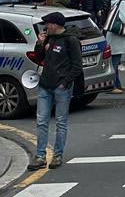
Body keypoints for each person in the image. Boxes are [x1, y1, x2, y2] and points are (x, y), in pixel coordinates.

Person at [26, 13, 82, 171]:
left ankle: (58, 155)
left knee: (61, 122)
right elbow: (39, 58)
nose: (46, 27)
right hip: (45, 85)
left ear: (56, 25)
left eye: (48, 24)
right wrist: (39, 43)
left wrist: (65, 83)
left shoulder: (70, 40)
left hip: (61, 87)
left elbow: (77, 66)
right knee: (41, 121)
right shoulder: (49, 39)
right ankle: (40, 156)